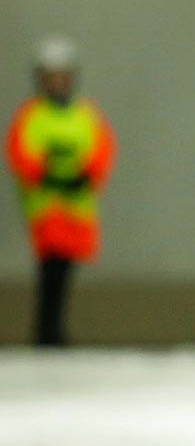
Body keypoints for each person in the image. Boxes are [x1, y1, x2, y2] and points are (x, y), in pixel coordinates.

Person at [6, 38, 115, 347]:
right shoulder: (32, 116)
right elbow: (20, 153)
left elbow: (103, 149)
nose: (57, 82)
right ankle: (48, 333)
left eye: (63, 76)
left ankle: (53, 331)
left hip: (77, 211)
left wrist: (83, 177)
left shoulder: (85, 114)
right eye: (51, 76)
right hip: (47, 211)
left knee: (63, 274)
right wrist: (46, 177)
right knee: (51, 273)